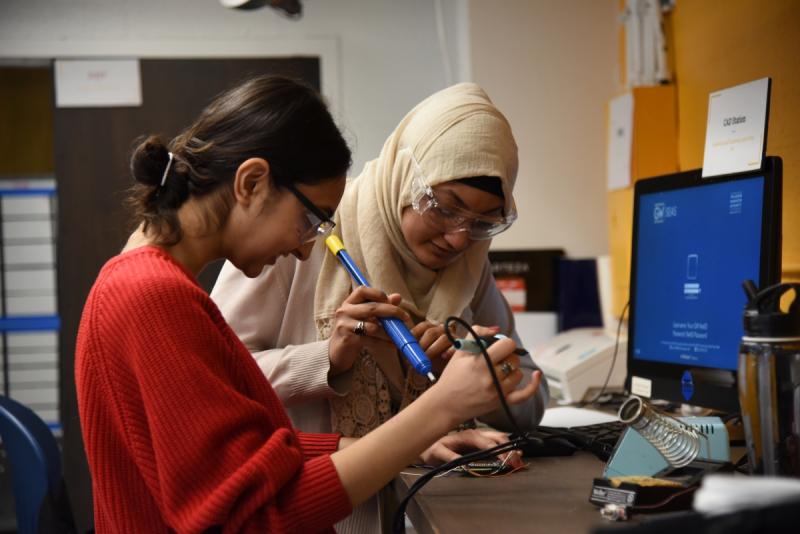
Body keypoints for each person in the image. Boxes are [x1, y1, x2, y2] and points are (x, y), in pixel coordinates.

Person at [74, 75, 540, 533]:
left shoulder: (143, 282)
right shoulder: (154, 297)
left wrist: (408, 444)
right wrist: (439, 407)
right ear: (252, 183)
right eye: (310, 220)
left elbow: (254, 459)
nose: (305, 249)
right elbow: (259, 513)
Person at [210, 83, 550, 531]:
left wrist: (474, 366)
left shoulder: (469, 266)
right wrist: (326, 358)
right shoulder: (300, 234)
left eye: (484, 223)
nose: (459, 238)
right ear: (405, 182)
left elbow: (533, 399)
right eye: (446, 209)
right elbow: (216, 392)